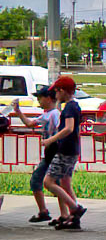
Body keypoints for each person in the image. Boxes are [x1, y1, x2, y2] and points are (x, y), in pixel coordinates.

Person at [40, 77, 87, 230]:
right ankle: (74, 219)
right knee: (65, 183)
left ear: (62, 91)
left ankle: (74, 208)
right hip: (72, 150)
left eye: (56, 91)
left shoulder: (69, 108)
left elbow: (68, 128)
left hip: (65, 151)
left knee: (48, 182)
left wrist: (50, 140)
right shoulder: (74, 106)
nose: (55, 94)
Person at [12, 86, 60, 222]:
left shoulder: (55, 114)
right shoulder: (46, 114)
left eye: (40, 98)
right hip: (49, 154)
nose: (39, 101)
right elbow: (30, 124)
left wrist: (51, 140)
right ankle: (44, 211)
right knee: (38, 181)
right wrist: (18, 112)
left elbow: (60, 131)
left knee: (57, 184)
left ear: (49, 99)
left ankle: (69, 212)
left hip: (55, 153)